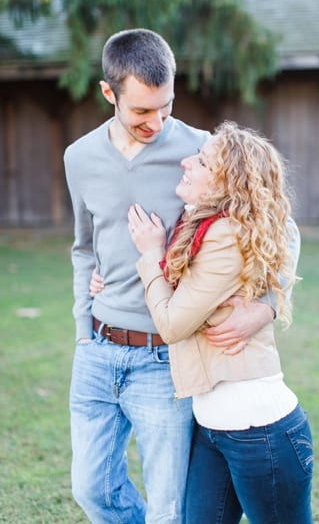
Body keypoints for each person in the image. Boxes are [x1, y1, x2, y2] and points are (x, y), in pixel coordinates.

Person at [64, 28, 298, 523]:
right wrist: (83, 324)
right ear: (110, 94)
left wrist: (268, 306)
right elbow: (84, 248)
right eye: (142, 112)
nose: (157, 121)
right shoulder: (79, 158)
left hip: (164, 359)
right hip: (97, 351)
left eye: (166, 107)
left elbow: (282, 229)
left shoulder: (203, 152)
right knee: (91, 489)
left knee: (169, 508)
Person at [127, 121, 312, 523]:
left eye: (202, 161)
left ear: (226, 180)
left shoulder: (225, 235)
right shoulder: (203, 223)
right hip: (212, 428)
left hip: (259, 432)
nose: (186, 161)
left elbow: (173, 324)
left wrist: (149, 256)